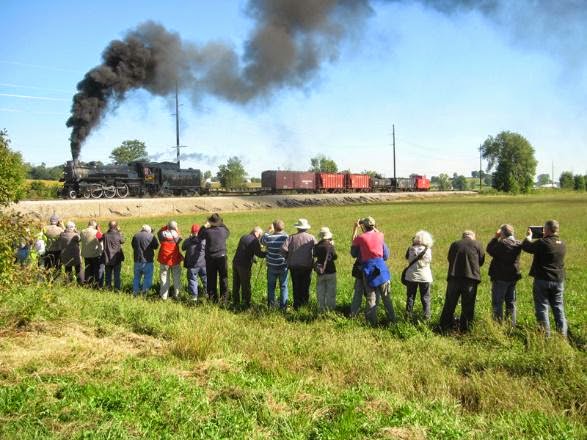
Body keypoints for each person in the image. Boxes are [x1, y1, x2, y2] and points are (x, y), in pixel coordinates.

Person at [522, 220, 567, 337]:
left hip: (543, 279)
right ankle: (562, 335)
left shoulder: (542, 242)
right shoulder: (562, 244)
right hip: (558, 280)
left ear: (546, 230)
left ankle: (545, 336)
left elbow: (526, 247)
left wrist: (529, 236)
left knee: (542, 307)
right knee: (558, 308)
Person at [351, 216, 395, 325]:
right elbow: (386, 255)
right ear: (374, 226)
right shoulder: (380, 235)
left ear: (364, 227)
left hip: (368, 271)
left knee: (371, 297)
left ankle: (372, 322)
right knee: (386, 297)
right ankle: (392, 320)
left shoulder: (361, 238)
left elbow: (353, 251)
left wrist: (355, 228)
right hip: (382, 269)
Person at [439, 230, 485, 333]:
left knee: (449, 304)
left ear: (463, 236)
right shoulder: (477, 244)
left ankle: (444, 327)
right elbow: (481, 261)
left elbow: (449, 258)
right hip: (470, 279)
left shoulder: (455, 244)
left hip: (454, 278)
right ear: (473, 236)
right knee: (468, 305)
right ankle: (465, 330)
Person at [486, 224, 522, 326]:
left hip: (500, 277)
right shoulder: (518, 243)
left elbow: (489, 249)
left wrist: (495, 237)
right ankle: (511, 325)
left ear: (502, 233)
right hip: (513, 277)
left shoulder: (502, 243)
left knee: (498, 303)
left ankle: (498, 325)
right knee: (511, 302)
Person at [281, 218, 316, 310]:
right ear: (306, 228)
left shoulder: (291, 237)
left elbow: (283, 249)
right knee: (305, 287)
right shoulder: (311, 238)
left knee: (296, 286)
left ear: (297, 228)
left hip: (294, 266)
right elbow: (316, 251)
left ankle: (296, 306)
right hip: (307, 266)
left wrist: (287, 258)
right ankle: (305, 305)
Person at [232, 226, 266, 308]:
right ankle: (245, 304)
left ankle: (235, 302)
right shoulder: (254, 241)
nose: (259, 237)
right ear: (256, 233)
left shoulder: (244, 237)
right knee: (245, 285)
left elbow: (246, 248)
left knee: (236, 284)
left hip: (235, 263)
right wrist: (267, 252)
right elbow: (259, 254)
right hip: (244, 266)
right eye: (260, 235)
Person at [199, 213, 230, 303]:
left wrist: (204, 226)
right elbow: (228, 231)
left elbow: (199, 235)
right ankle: (224, 298)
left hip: (210, 258)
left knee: (211, 278)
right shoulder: (223, 231)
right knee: (223, 278)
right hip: (222, 257)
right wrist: (221, 223)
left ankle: (212, 298)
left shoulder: (207, 231)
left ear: (211, 222)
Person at [404, 230, 434, 320]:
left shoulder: (410, 249)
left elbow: (407, 257)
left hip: (411, 276)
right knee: (425, 298)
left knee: (410, 297)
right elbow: (428, 261)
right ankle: (426, 318)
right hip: (425, 277)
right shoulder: (428, 250)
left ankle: (408, 317)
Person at [261, 219, 289, 309]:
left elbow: (261, 241)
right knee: (283, 286)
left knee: (271, 286)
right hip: (283, 266)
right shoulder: (286, 237)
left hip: (272, 266)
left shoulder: (269, 238)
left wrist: (268, 230)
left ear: (274, 227)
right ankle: (283, 307)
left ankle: (271, 306)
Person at [157, 221, 183, 300]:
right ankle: (177, 295)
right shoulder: (177, 236)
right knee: (176, 278)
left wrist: (166, 227)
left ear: (168, 227)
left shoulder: (162, 235)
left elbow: (158, 233)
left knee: (164, 278)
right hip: (175, 260)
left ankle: (164, 296)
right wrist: (176, 229)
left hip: (164, 261)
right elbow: (180, 237)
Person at [314, 226, 338, 312]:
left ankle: (321, 309)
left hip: (320, 271)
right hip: (331, 271)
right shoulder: (330, 246)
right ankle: (330, 309)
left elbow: (314, 255)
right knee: (331, 292)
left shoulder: (317, 246)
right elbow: (335, 257)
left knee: (320, 292)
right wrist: (332, 246)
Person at [182, 224, 208, 302]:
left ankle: (194, 297)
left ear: (192, 232)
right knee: (205, 279)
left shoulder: (188, 241)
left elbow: (183, 247)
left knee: (192, 280)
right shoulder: (204, 240)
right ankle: (207, 293)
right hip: (203, 264)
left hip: (192, 265)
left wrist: (189, 238)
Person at [131, 225, 159, 296]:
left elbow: (133, 245)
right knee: (147, 277)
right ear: (149, 230)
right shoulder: (151, 236)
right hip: (148, 260)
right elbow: (156, 246)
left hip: (137, 260)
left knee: (136, 277)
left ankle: (135, 292)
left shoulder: (136, 235)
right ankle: (145, 293)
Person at [102, 220, 125, 290]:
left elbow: (103, 236)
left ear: (109, 226)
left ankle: (108, 288)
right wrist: (119, 231)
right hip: (116, 258)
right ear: (116, 226)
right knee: (116, 275)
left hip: (107, 257)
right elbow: (123, 241)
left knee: (108, 275)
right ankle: (117, 289)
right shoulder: (118, 234)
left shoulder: (105, 235)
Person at [80, 219, 103, 287]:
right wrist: (99, 230)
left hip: (86, 254)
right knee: (96, 270)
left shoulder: (82, 231)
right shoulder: (96, 232)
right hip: (94, 254)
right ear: (95, 225)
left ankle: (88, 284)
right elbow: (102, 239)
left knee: (88, 269)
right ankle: (96, 285)